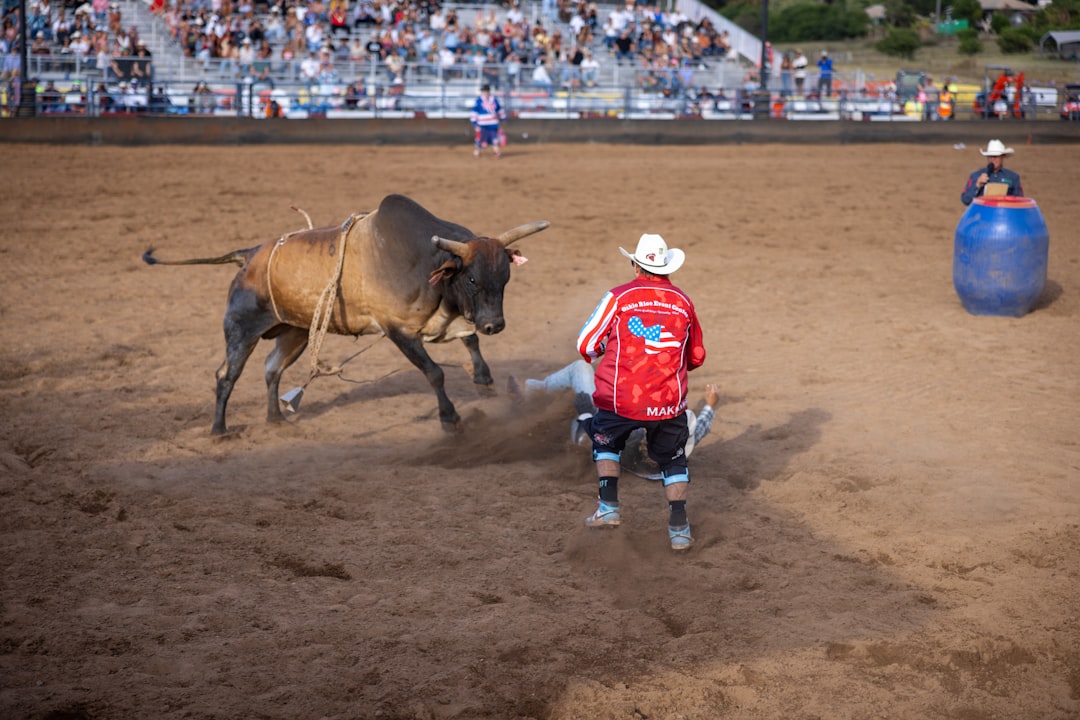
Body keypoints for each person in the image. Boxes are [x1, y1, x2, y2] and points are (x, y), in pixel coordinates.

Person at [576, 233, 706, 551]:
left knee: (605, 439)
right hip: (667, 402)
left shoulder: (618, 297)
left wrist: (603, 350)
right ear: (667, 268)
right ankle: (679, 529)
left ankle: (608, 507)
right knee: (673, 460)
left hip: (621, 398)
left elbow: (585, 344)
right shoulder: (684, 302)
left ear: (636, 266)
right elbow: (696, 357)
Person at [508, 359, 718, 480]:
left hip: (586, 430)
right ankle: (534, 395)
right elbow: (698, 430)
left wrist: (586, 414)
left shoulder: (634, 436)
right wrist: (710, 405)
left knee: (581, 369)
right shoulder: (672, 448)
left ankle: (531, 394)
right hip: (599, 433)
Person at [961, 139, 1023, 206]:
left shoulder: (1013, 177)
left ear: (1003, 157)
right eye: (990, 156)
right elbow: (966, 200)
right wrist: (977, 185)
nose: (992, 159)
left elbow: (1020, 201)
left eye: (996, 156)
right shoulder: (976, 176)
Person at [470, 83, 505, 159]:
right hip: (482, 123)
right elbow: (474, 111)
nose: (485, 92)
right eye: (484, 91)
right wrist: (474, 121)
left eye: (486, 91)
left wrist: (502, 117)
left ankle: (497, 152)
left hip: (493, 123)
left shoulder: (494, 100)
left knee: (494, 139)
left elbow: (499, 109)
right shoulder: (479, 100)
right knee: (481, 139)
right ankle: (477, 152)